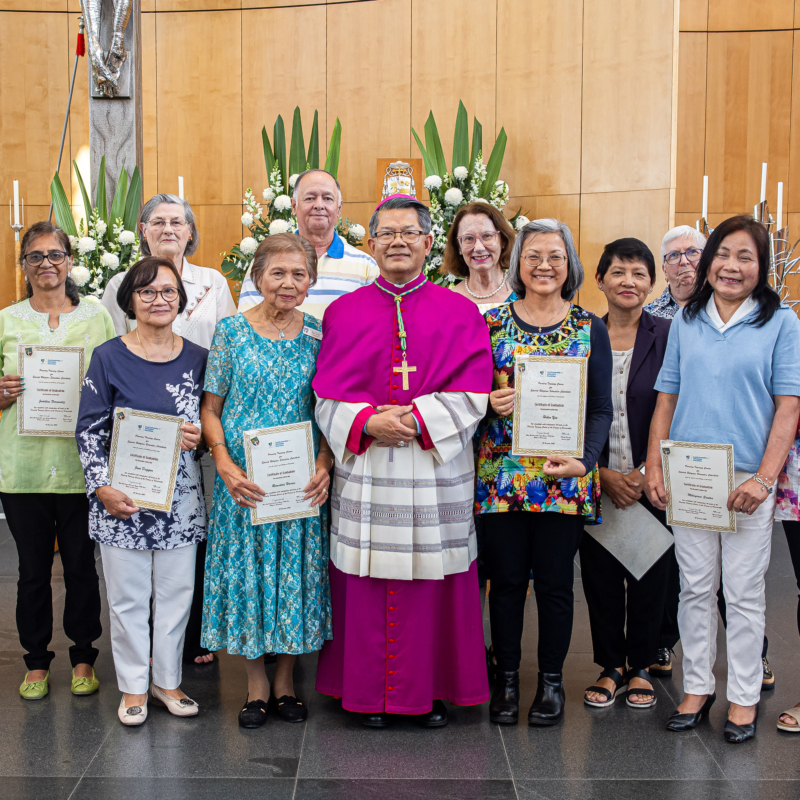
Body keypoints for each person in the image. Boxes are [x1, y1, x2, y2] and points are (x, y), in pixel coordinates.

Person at [313, 195, 494, 728]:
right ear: (371, 244)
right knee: (367, 580)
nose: (396, 242)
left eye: (408, 233)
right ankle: (366, 692)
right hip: (368, 467)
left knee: (432, 579)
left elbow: (475, 390)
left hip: (434, 468)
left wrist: (416, 421)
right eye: (386, 234)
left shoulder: (460, 311)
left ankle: (431, 688)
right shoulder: (342, 312)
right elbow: (324, 394)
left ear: (428, 244)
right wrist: (366, 421)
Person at [644, 215, 800, 744]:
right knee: (694, 588)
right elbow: (667, 396)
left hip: (746, 480)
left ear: (761, 267)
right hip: (690, 471)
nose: (731, 267)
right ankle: (696, 688)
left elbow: (788, 406)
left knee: (744, 592)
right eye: (723, 255)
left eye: (746, 257)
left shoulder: (781, 322)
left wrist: (765, 478)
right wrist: (655, 465)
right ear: (708, 262)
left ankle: (744, 698)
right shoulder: (687, 319)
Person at [476, 218, 613, 727]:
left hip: (565, 477)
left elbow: (600, 407)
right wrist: (489, 403)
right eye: (533, 256)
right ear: (517, 264)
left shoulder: (587, 326)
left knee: (556, 584)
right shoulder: (490, 326)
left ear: (570, 264)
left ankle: (550, 682)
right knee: (507, 583)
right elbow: (472, 402)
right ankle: (507, 681)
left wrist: (587, 461)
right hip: (503, 477)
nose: (544, 266)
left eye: (555, 256)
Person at [200, 233, 333, 728]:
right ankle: (256, 685)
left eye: (299, 274)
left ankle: (285, 683)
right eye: (277, 272)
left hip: (300, 486)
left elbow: (329, 410)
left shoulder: (320, 334)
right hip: (244, 485)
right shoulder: (231, 332)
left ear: (312, 281)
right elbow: (210, 409)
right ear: (257, 277)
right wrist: (226, 465)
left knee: (293, 577)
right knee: (249, 577)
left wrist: (325, 462)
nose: (288, 282)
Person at [102, 193, 236, 666]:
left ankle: (189, 639)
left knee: (190, 532)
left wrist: (206, 421)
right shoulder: (123, 281)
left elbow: (226, 345)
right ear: (142, 229)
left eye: (176, 221)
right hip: (139, 426)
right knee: (138, 536)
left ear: (189, 229)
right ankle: (145, 655)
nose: (167, 228)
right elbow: (112, 346)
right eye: (157, 221)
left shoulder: (212, 281)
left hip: (197, 415)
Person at [77, 257, 208, 726]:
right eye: (147, 292)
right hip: (122, 500)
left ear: (181, 300)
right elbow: (89, 429)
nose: (159, 300)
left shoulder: (198, 357)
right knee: (128, 597)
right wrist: (102, 488)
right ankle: (133, 686)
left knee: (177, 595)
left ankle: (167, 681)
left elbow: (214, 425)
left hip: (181, 501)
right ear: (130, 299)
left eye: (168, 292)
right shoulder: (108, 356)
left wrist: (204, 437)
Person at [0, 221, 114, 701]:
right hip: (22, 468)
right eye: (36, 256)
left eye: (55, 254)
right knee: (30, 571)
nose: (46, 264)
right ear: (23, 265)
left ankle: (84, 654)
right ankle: (35, 660)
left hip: (80, 467)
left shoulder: (96, 316)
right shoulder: (5, 321)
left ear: (70, 261)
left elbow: (114, 382)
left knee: (82, 568)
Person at [579, 238, 672, 710]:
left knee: (650, 575)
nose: (628, 282)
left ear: (651, 283)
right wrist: (599, 474)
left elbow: (676, 404)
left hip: (649, 477)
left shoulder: (669, 335)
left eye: (639, 273)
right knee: (599, 578)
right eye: (618, 272)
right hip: (594, 477)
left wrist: (641, 471)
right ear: (600, 280)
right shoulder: (582, 332)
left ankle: (640, 667)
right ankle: (609, 665)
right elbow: (568, 411)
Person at [238, 169, 378, 319]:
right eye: (310, 198)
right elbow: (249, 322)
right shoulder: (267, 261)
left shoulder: (366, 266)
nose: (319, 205)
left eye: (328, 198)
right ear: (293, 206)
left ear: (339, 208)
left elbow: (373, 324)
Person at [442, 202, 518, 312]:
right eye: (468, 238)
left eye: (487, 236)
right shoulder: (449, 301)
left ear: (503, 241)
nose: (478, 248)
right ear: (458, 246)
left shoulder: (525, 294)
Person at [644, 224, 706, 319]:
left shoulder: (723, 309)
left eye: (692, 252)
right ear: (664, 270)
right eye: (673, 255)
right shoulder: (647, 317)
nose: (684, 261)